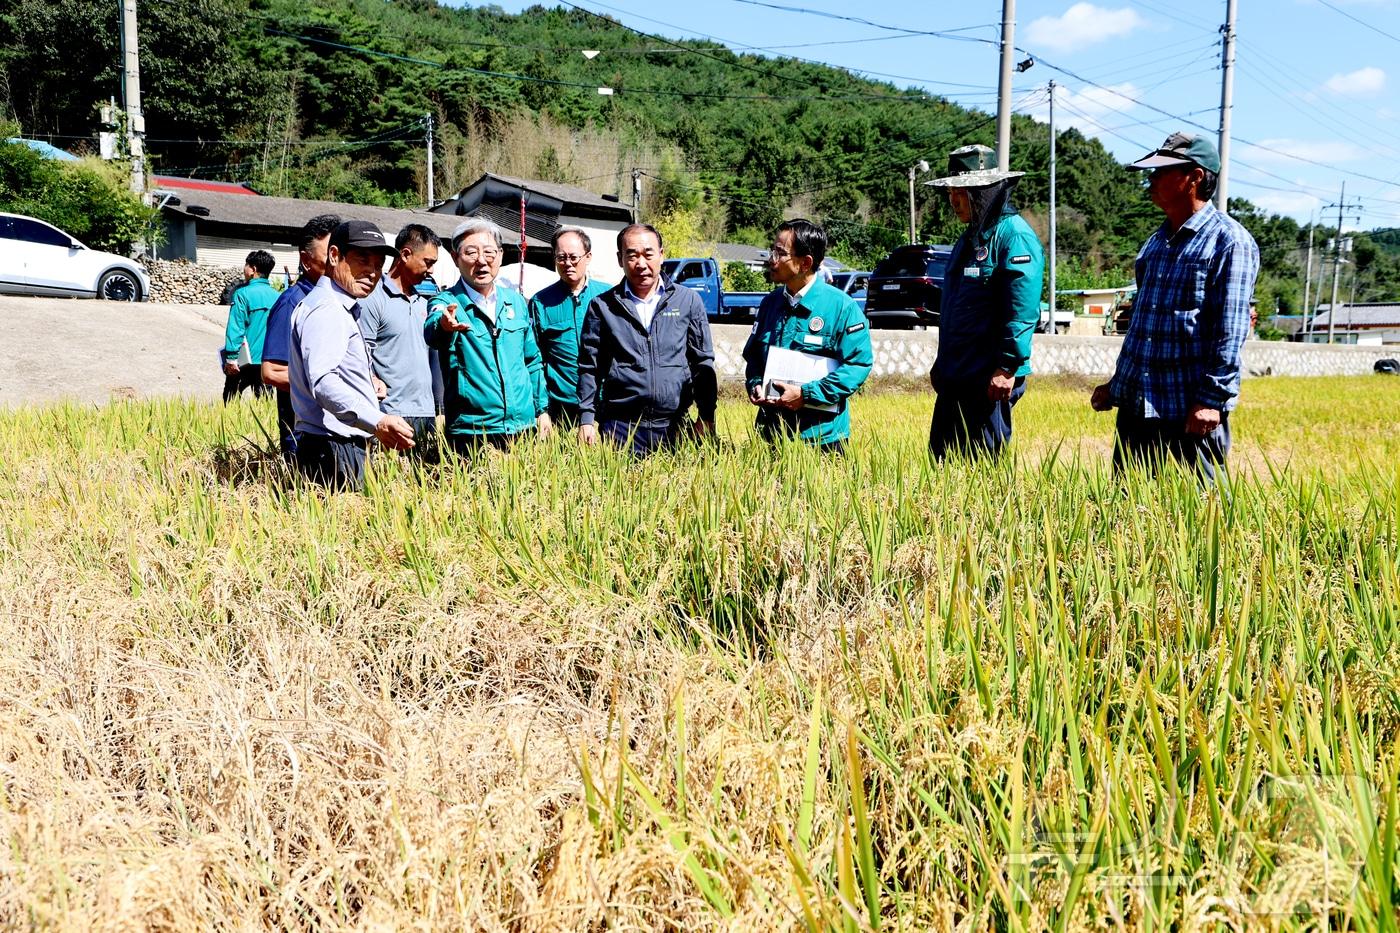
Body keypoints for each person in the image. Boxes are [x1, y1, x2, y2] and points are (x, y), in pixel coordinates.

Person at [1090, 132, 1259, 484]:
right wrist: (1116, 385)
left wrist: (1212, 400)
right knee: (1129, 510)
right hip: (1139, 405)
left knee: (1199, 514)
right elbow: (1143, 329)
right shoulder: (1155, 244)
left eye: (1162, 172)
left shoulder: (1230, 242)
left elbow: (1230, 331)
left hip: (1189, 408)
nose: (1151, 180)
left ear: (1195, 177)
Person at [925, 143, 1045, 458]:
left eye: (961, 192)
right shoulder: (968, 239)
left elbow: (1021, 310)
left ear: (986, 191)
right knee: (941, 461)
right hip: (957, 374)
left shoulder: (1013, 236)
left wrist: (1007, 367)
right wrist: (943, 362)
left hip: (988, 378)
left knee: (981, 467)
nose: (953, 200)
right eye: (950, 192)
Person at [288, 220, 414, 489]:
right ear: (334, 256)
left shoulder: (336, 307)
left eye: (379, 265)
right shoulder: (328, 310)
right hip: (331, 448)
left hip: (334, 444)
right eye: (362, 260)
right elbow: (323, 382)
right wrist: (377, 420)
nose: (372, 272)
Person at [577, 223, 717, 456]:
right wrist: (586, 419)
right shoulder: (602, 306)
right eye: (631, 255)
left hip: (675, 427)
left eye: (648, 254)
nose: (640, 263)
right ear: (620, 259)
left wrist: (707, 416)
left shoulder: (687, 301)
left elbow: (702, 362)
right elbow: (590, 368)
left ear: (661, 255)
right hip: (620, 429)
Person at [742, 219, 872, 452]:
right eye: (773, 250)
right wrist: (755, 384)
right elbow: (753, 357)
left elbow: (857, 365)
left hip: (822, 439)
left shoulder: (842, 307)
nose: (772, 259)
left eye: (780, 253)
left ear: (805, 263)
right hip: (771, 436)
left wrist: (806, 395)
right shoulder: (769, 304)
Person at [423, 217, 550, 455]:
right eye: (471, 253)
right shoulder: (446, 302)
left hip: (523, 428)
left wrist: (541, 409)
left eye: (489, 252)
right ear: (455, 258)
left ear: (500, 256)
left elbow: (531, 360)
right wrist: (444, 325)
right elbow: (433, 330)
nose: (481, 260)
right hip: (471, 432)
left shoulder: (516, 302)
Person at [359, 223, 443, 463]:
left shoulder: (424, 302)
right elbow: (361, 354)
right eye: (428, 262)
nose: (431, 270)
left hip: (425, 413)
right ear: (405, 255)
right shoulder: (373, 299)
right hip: (391, 413)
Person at [262, 213, 342, 461]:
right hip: (305, 439)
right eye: (328, 255)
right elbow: (272, 371)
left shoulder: (341, 301)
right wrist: (327, 385)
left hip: (339, 431)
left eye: (340, 254)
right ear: (306, 261)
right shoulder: (293, 304)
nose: (336, 262)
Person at [529, 226, 614, 428]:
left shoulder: (609, 296)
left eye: (573, 257)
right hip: (562, 408)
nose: (568, 263)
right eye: (561, 257)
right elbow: (533, 360)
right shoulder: (541, 302)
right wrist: (541, 410)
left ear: (588, 256)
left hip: (606, 404)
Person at [221, 249, 278, 403]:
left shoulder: (242, 294)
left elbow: (236, 327)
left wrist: (231, 358)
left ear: (253, 269)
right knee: (265, 402)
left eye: (246, 265)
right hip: (268, 359)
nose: (244, 269)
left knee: (230, 400)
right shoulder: (278, 296)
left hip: (244, 360)